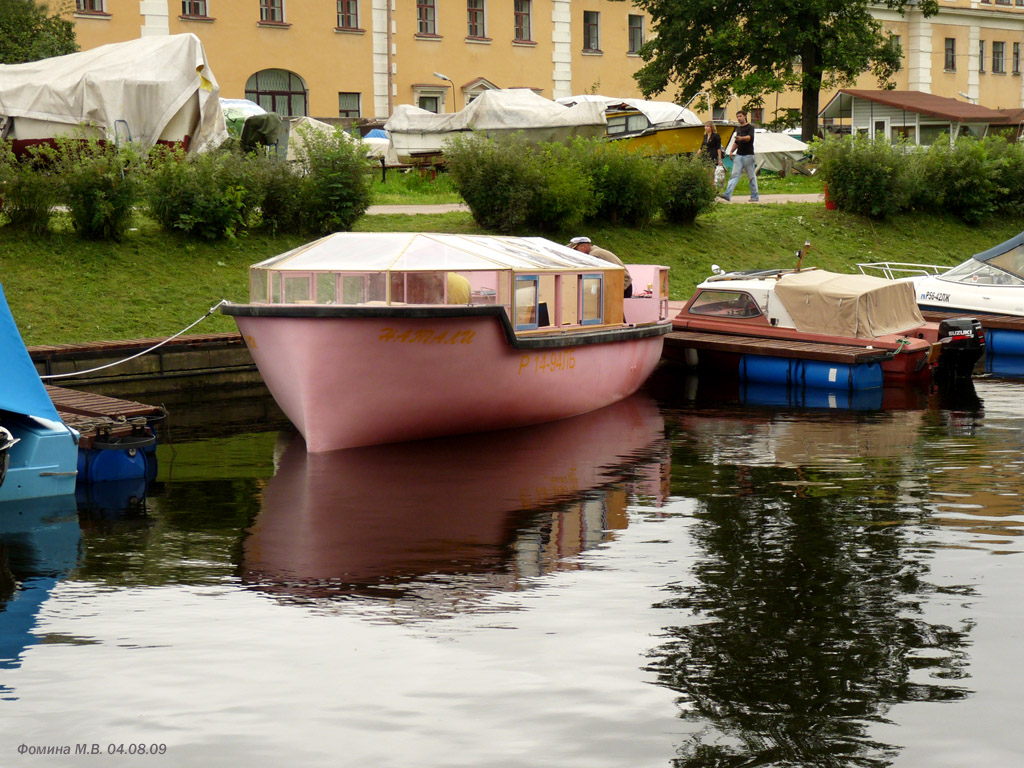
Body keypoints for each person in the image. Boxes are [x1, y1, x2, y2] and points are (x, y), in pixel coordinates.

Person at [568, 236, 633, 297]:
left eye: (576, 250)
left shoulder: (594, 255)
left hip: (622, 287)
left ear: (584, 247)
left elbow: (591, 276)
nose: (576, 253)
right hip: (621, 285)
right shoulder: (596, 251)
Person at [719, 110, 759, 203]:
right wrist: (732, 151)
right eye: (737, 117)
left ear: (745, 116)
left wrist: (742, 138)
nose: (739, 118)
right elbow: (737, 142)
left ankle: (755, 196)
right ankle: (727, 194)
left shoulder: (750, 127)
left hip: (748, 155)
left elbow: (749, 138)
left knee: (751, 176)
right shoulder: (739, 129)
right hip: (739, 155)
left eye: (740, 116)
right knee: (734, 175)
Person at [700, 121, 724, 186]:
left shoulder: (716, 136)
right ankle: (709, 187)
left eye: (707, 126)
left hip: (713, 156)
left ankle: (712, 188)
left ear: (711, 127)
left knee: (711, 174)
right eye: (705, 126)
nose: (706, 128)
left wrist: (719, 159)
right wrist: (695, 156)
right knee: (705, 173)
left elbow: (718, 148)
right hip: (705, 156)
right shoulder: (705, 136)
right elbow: (701, 147)